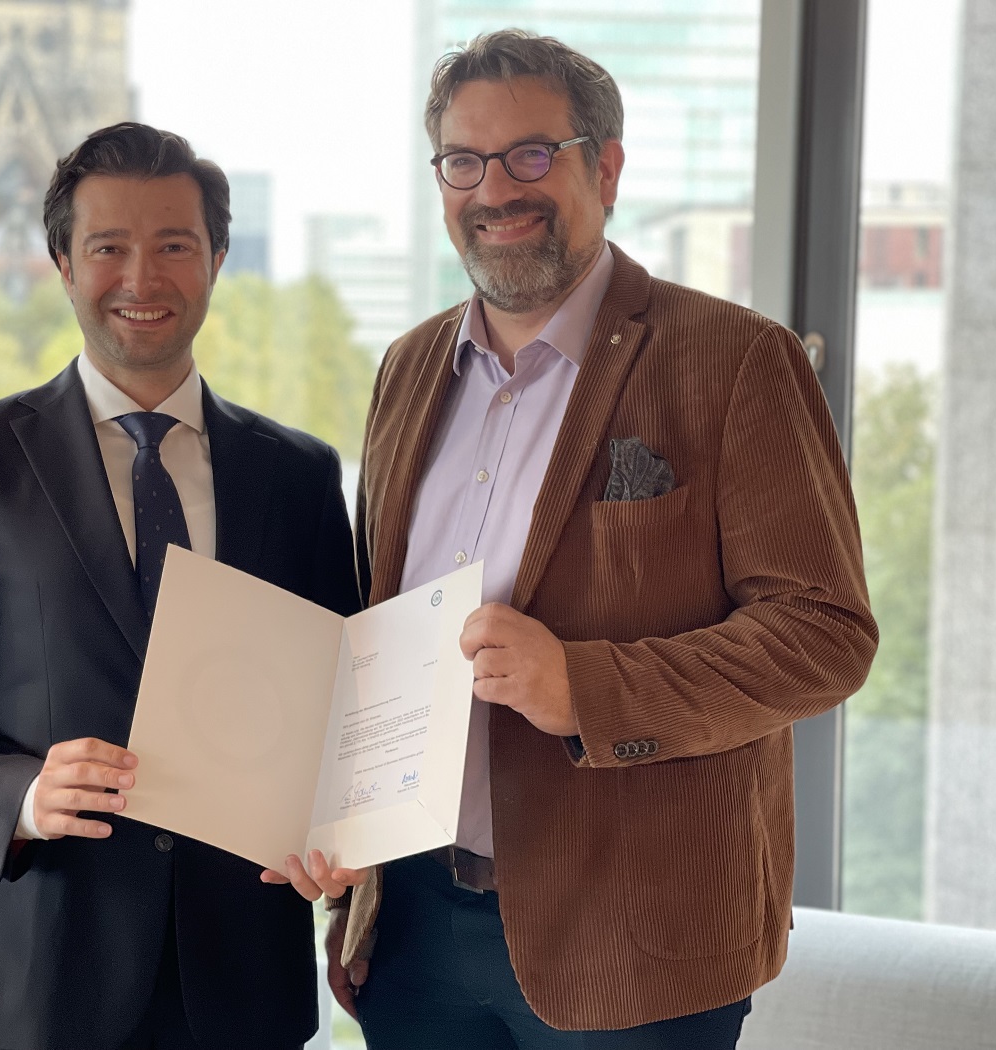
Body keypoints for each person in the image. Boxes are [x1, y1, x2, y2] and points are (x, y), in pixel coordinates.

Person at [301, 29, 878, 1050]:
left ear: (604, 169)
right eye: (463, 161)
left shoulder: (738, 359)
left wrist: (584, 687)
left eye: (531, 154)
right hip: (413, 929)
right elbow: (375, 634)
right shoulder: (406, 368)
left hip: (639, 942)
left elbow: (823, 634)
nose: (495, 190)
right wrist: (340, 842)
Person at [0, 122, 360, 1050]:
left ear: (218, 260)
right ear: (63, 263)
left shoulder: (299, 474)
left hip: (244, 977)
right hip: (39, 972)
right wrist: (21, 794)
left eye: (174, 246)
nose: (141, 278)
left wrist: (346, 834)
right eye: (108, 248)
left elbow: (343, 705)